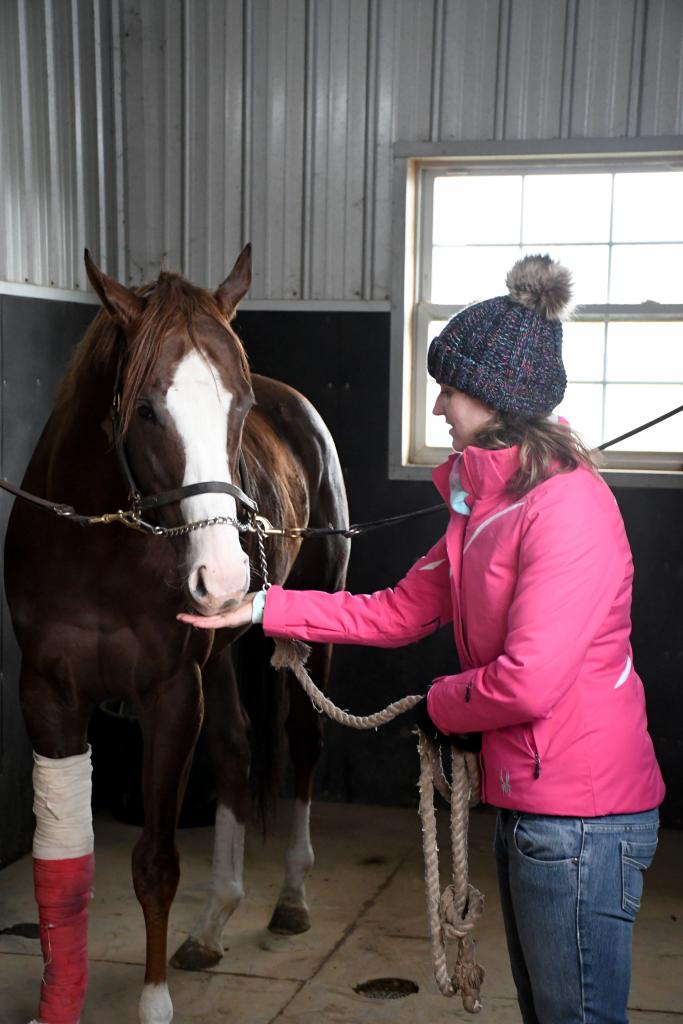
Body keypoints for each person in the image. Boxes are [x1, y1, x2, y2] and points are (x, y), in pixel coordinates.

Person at [179, 254, 665, 1024]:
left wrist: (441, 705)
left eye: (449, 388)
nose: (437, 406)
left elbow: (527, 682)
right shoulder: (483, 506)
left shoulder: (565, 511)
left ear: (496, 400)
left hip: (581, 818)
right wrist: (263, 609)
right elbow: (397, 610)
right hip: (537, 805)